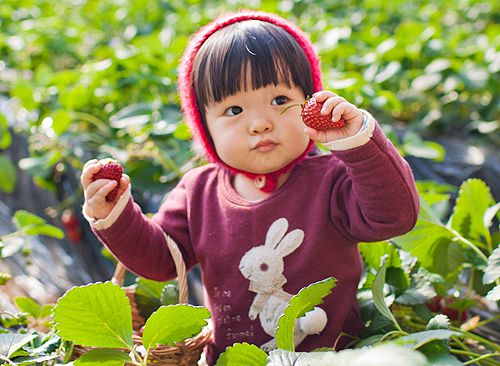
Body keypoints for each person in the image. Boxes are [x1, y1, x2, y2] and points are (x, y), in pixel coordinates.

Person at [80, 10, 419, 365]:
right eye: (234, 109)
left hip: (332, 357)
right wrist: (114, 215)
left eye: (280, 101)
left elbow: (394, 217)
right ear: (204, 127)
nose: (259, 124)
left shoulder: (331, 179)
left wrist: (359, 145)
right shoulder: (199, 192)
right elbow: (161, 259)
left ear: (309, 101)